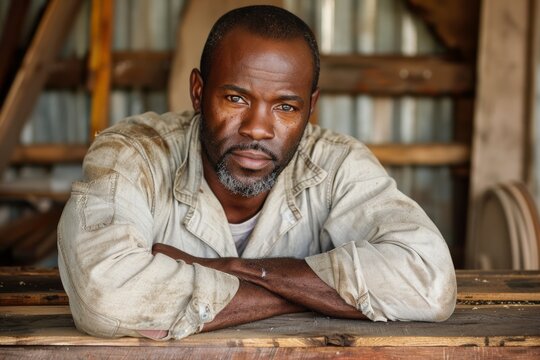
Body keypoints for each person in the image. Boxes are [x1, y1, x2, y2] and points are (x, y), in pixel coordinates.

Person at [57, 5, 456, 340]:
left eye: (285, 107)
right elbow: (103, 293)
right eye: (235, 98)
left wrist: (232, 272)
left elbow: (431, 281)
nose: (257, 128)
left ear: (310, 108)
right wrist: (306, 291)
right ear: (198, 91)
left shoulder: (335, 164)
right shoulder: (135, 154)